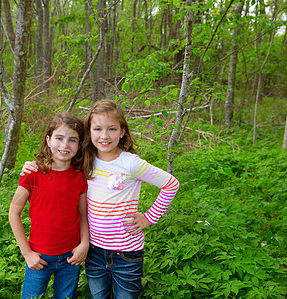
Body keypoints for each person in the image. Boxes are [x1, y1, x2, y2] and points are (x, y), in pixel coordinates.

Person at [21, 100, 180, 298]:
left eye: (112, 129)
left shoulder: (131, 163)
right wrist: (32, 166)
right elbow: (58, 163)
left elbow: (171, 184)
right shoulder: (86, 159)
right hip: (94, 250)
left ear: (122, 131)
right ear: (89, 132)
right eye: (97, 129)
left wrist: (149, 218)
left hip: (126, 251)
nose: (104, 136)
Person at [9, 112, 89, 299]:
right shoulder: (33, 173)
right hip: (39, 256)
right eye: (59, 138)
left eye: (72, 140)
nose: (64, 145)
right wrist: (27, 253)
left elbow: (83, 214)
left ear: (79, 145)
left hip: (71, 256)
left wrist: (84, 243)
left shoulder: (79, 177)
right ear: (48, 139)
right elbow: (14, 213)